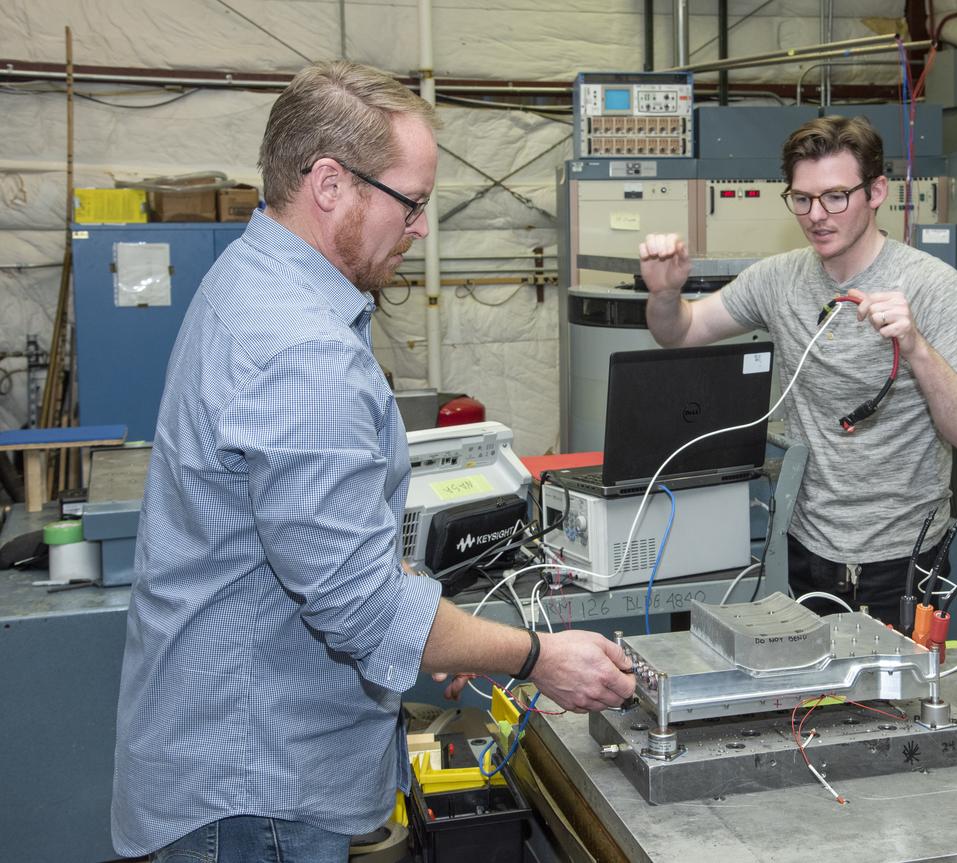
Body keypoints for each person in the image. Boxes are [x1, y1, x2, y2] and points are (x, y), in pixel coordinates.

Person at [112, 61, 633, 862]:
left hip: (229, 762)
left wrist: (450, 637)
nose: (421, 227)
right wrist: (532, 654)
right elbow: (360, 609)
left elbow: (326, 553)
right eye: (412, 202)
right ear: (330, 183)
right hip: (257, 793)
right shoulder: (303, 348)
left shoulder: (248, 281)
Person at [638, 115, 957, 623]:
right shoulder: (777, 279)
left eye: (836, 197)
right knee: (813, 703)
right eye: (802, 199)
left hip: (905, 557)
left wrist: (917, 347)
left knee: (893, 703)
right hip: (806, 549)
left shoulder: (932, 287)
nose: (816, 215)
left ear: (877, 191)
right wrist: (664, 293)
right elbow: (677, 332)